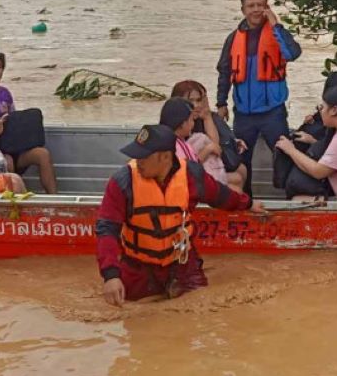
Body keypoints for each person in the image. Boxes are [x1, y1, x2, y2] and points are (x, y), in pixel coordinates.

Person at [96, 124, 266, 306]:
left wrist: (248, 204)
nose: (138, 161)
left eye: (144, 156)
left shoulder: (192, 175)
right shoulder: (122, 182)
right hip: (138, 268)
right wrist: (111, 276)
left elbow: (221, 195)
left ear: (165, 157)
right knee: (130, 314)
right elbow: (107, 229)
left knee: (204, 308)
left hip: (182, 263)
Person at [215, 0, 302, 189]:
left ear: (267, 7)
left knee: (284, 157)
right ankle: (246, 203)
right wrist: (221, 103)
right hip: (243, 115)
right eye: (251, 6)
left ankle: (290, 202)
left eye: (260, 5)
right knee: (241, 162)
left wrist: (276, 25)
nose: (255, 10)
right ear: (243, 9)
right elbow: (224, 72)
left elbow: (293, 53)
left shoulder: (277, 33)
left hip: (273, 112)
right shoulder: (233, 38)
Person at [0, 48, 57, 194]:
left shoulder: (4, 93)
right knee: (8, 161)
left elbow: (14, 118)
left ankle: (54, 198)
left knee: (42, 154)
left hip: (11, 145)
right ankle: (16, 204)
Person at [170, 80, 247, 193]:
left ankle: (243, 203)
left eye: (199, 100)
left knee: (241, 171)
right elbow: (186, 166)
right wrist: (208, 149)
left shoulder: (203, 118)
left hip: (204, 167)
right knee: (236, 185)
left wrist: (207, 116)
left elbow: (216, 146)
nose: (196, 105)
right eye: (191, 101)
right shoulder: (177, 125)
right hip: (187, 176)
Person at [159, 97, 201, 163]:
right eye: (192, 119)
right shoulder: (181, 146)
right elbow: (192, 171)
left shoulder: (157, 141)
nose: (193, 123)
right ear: (183, 124)